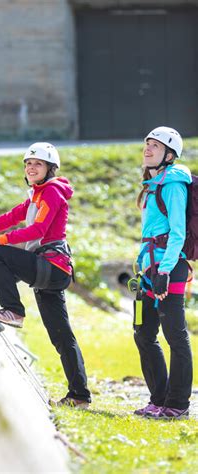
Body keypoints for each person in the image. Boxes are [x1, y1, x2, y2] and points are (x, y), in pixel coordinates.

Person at [0, 142, 91, 408]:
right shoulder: (37, 195)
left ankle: (13, 310)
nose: (32, 167)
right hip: (48, 269)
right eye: (28, 163)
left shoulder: (52, 192)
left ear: (50, 169)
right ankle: (79, 396)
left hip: (51, 267)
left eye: (38, 164)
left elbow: (38, 230)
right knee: (61, 335)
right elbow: (11, 217)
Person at [133, 126, 193, 419]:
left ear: (169, 155)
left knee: (175, 334)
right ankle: (158, 398)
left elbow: (178, 233)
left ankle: (178, 403)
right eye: (147, 144)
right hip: (149, 270)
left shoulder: (173, 185)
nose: (148, 149)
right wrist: (147, 267)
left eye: (155, 146)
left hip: (169, 269)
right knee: (142, 331)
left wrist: (165, 271)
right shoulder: (153, 184)